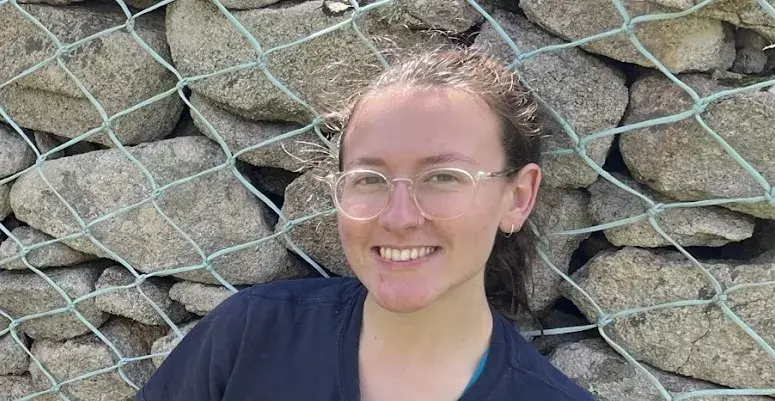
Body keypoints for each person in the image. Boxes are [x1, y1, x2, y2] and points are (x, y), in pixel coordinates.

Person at [136, 46, 597, 401]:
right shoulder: (249, 334)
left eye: (443, 177)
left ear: (518, 198)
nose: (398, 217)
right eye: (370, 179)